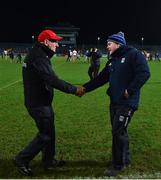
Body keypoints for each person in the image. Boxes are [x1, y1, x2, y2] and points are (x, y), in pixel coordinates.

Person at [13, 29, 84, 176]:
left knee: (50, 132)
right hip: (38, 103)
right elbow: (52, 80)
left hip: (41, 101)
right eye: (54, 41)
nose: (57, 45)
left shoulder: (39, 54)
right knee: (45, 134)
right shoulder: (39, 57)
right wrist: (74, 89)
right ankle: (21, 159)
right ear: (46, 42)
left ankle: (49, 160)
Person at [78, 32, 150, 177]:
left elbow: (144, 73)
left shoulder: (134, 54)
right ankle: (125, 159)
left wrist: (129, 90)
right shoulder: (113, 60)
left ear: (118, 44)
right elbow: (100, 79)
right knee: (120, 131)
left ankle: (117, 165)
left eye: (109, 43)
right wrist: (85, 88)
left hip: (127, 103)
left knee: (118, 132)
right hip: (114, 102)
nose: (107, 46)